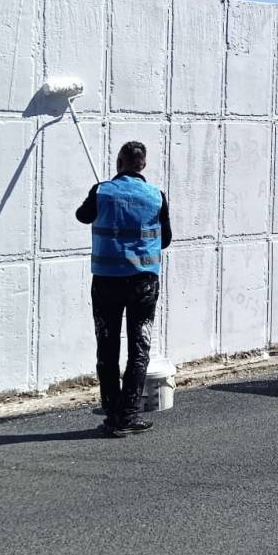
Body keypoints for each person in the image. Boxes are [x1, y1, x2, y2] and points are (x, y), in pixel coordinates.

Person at [75, 141, 172, 437]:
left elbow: (82, 215)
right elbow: (166, 239)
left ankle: (111, 412)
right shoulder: (157, 196)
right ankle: (128, 415)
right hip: (143, 282)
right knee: (138, 348)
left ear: (119, 162)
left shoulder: (101, 190)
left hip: (106, 281)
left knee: (107, 346)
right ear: (143, 165)